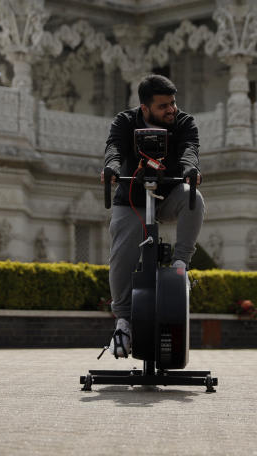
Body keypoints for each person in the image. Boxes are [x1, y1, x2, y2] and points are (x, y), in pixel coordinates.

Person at [101, 74, 204, 358]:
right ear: (144, 109)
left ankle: (181, 265)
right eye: (163, 106)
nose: (171, 110)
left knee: (194, 197)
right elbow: (114, 147)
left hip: (170, 195)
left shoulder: (184, 122)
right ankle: (123, 322)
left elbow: (189, 150)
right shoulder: (124, 122)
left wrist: (190, 169)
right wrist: (110, 166)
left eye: (172, 103)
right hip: (132, 198)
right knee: (121, 252)